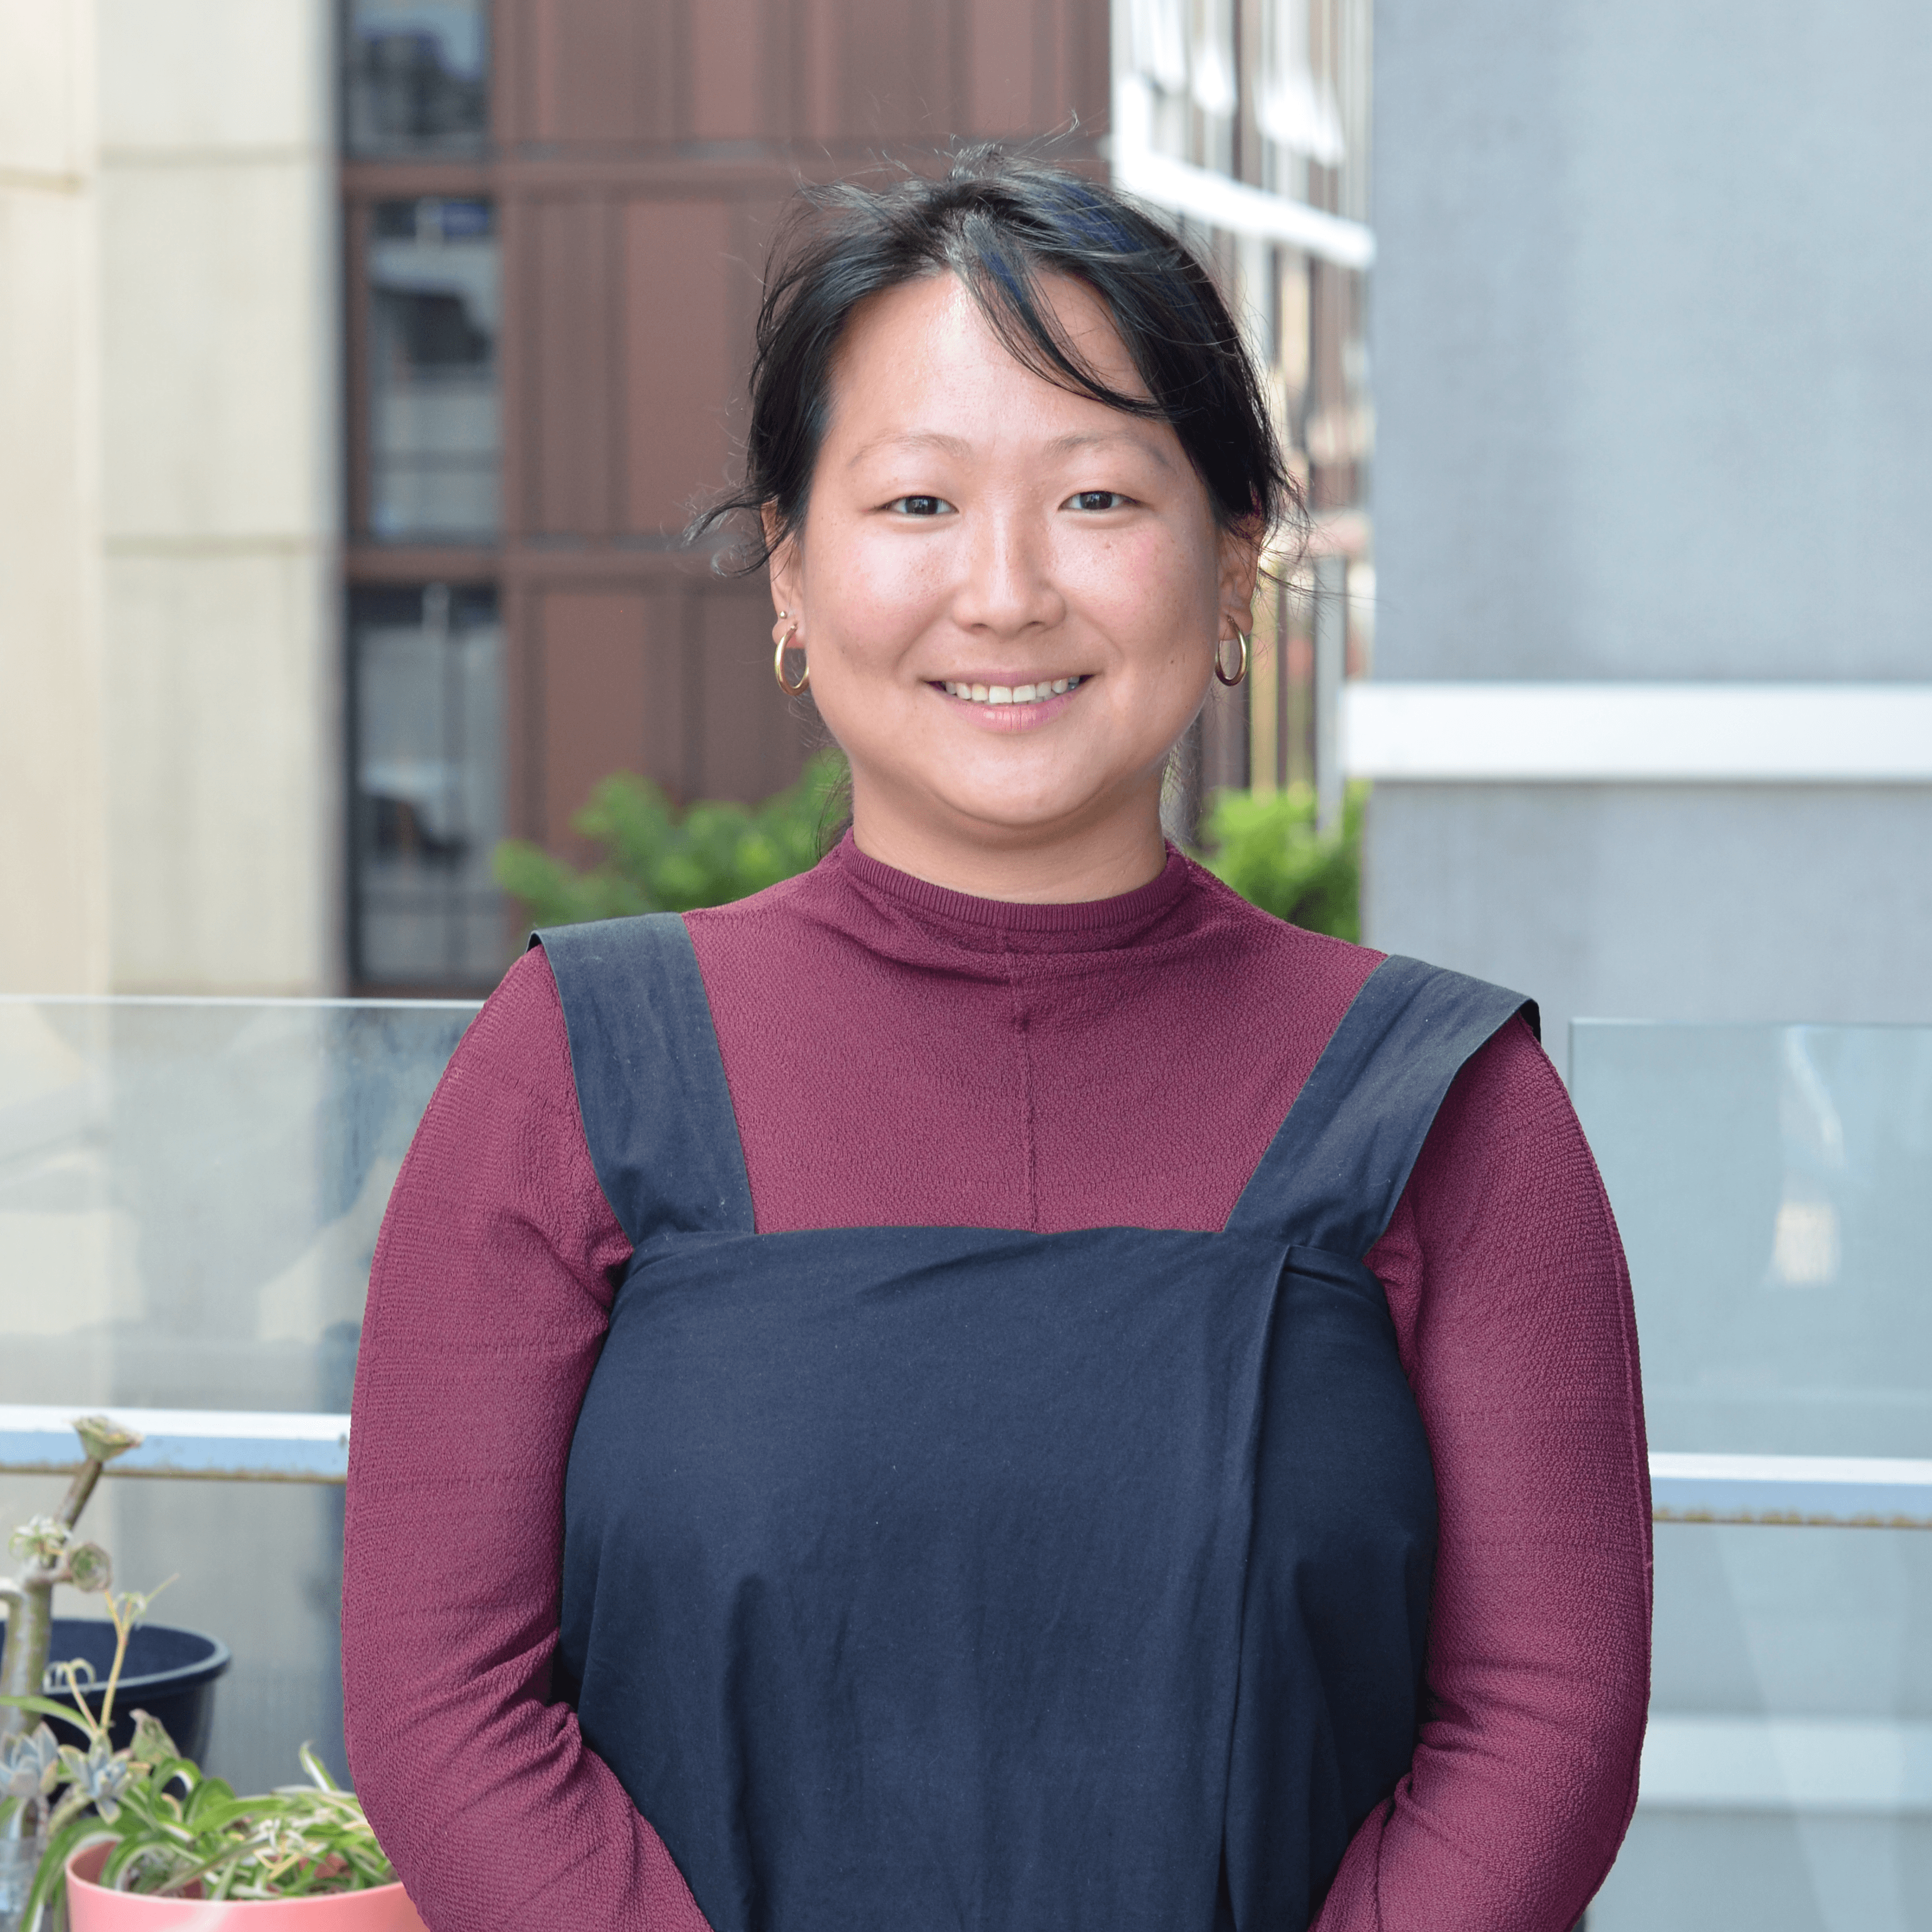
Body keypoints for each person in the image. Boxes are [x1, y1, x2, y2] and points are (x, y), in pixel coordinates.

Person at [343, 150, 1650, 1932]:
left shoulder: (1452, 1107)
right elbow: (442, 1705)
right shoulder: (572, 1063)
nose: (1011, 591)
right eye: (916, 507)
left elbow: (1546, 1720)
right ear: (790, 578)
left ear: (1238, 565)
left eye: (1101, 497)